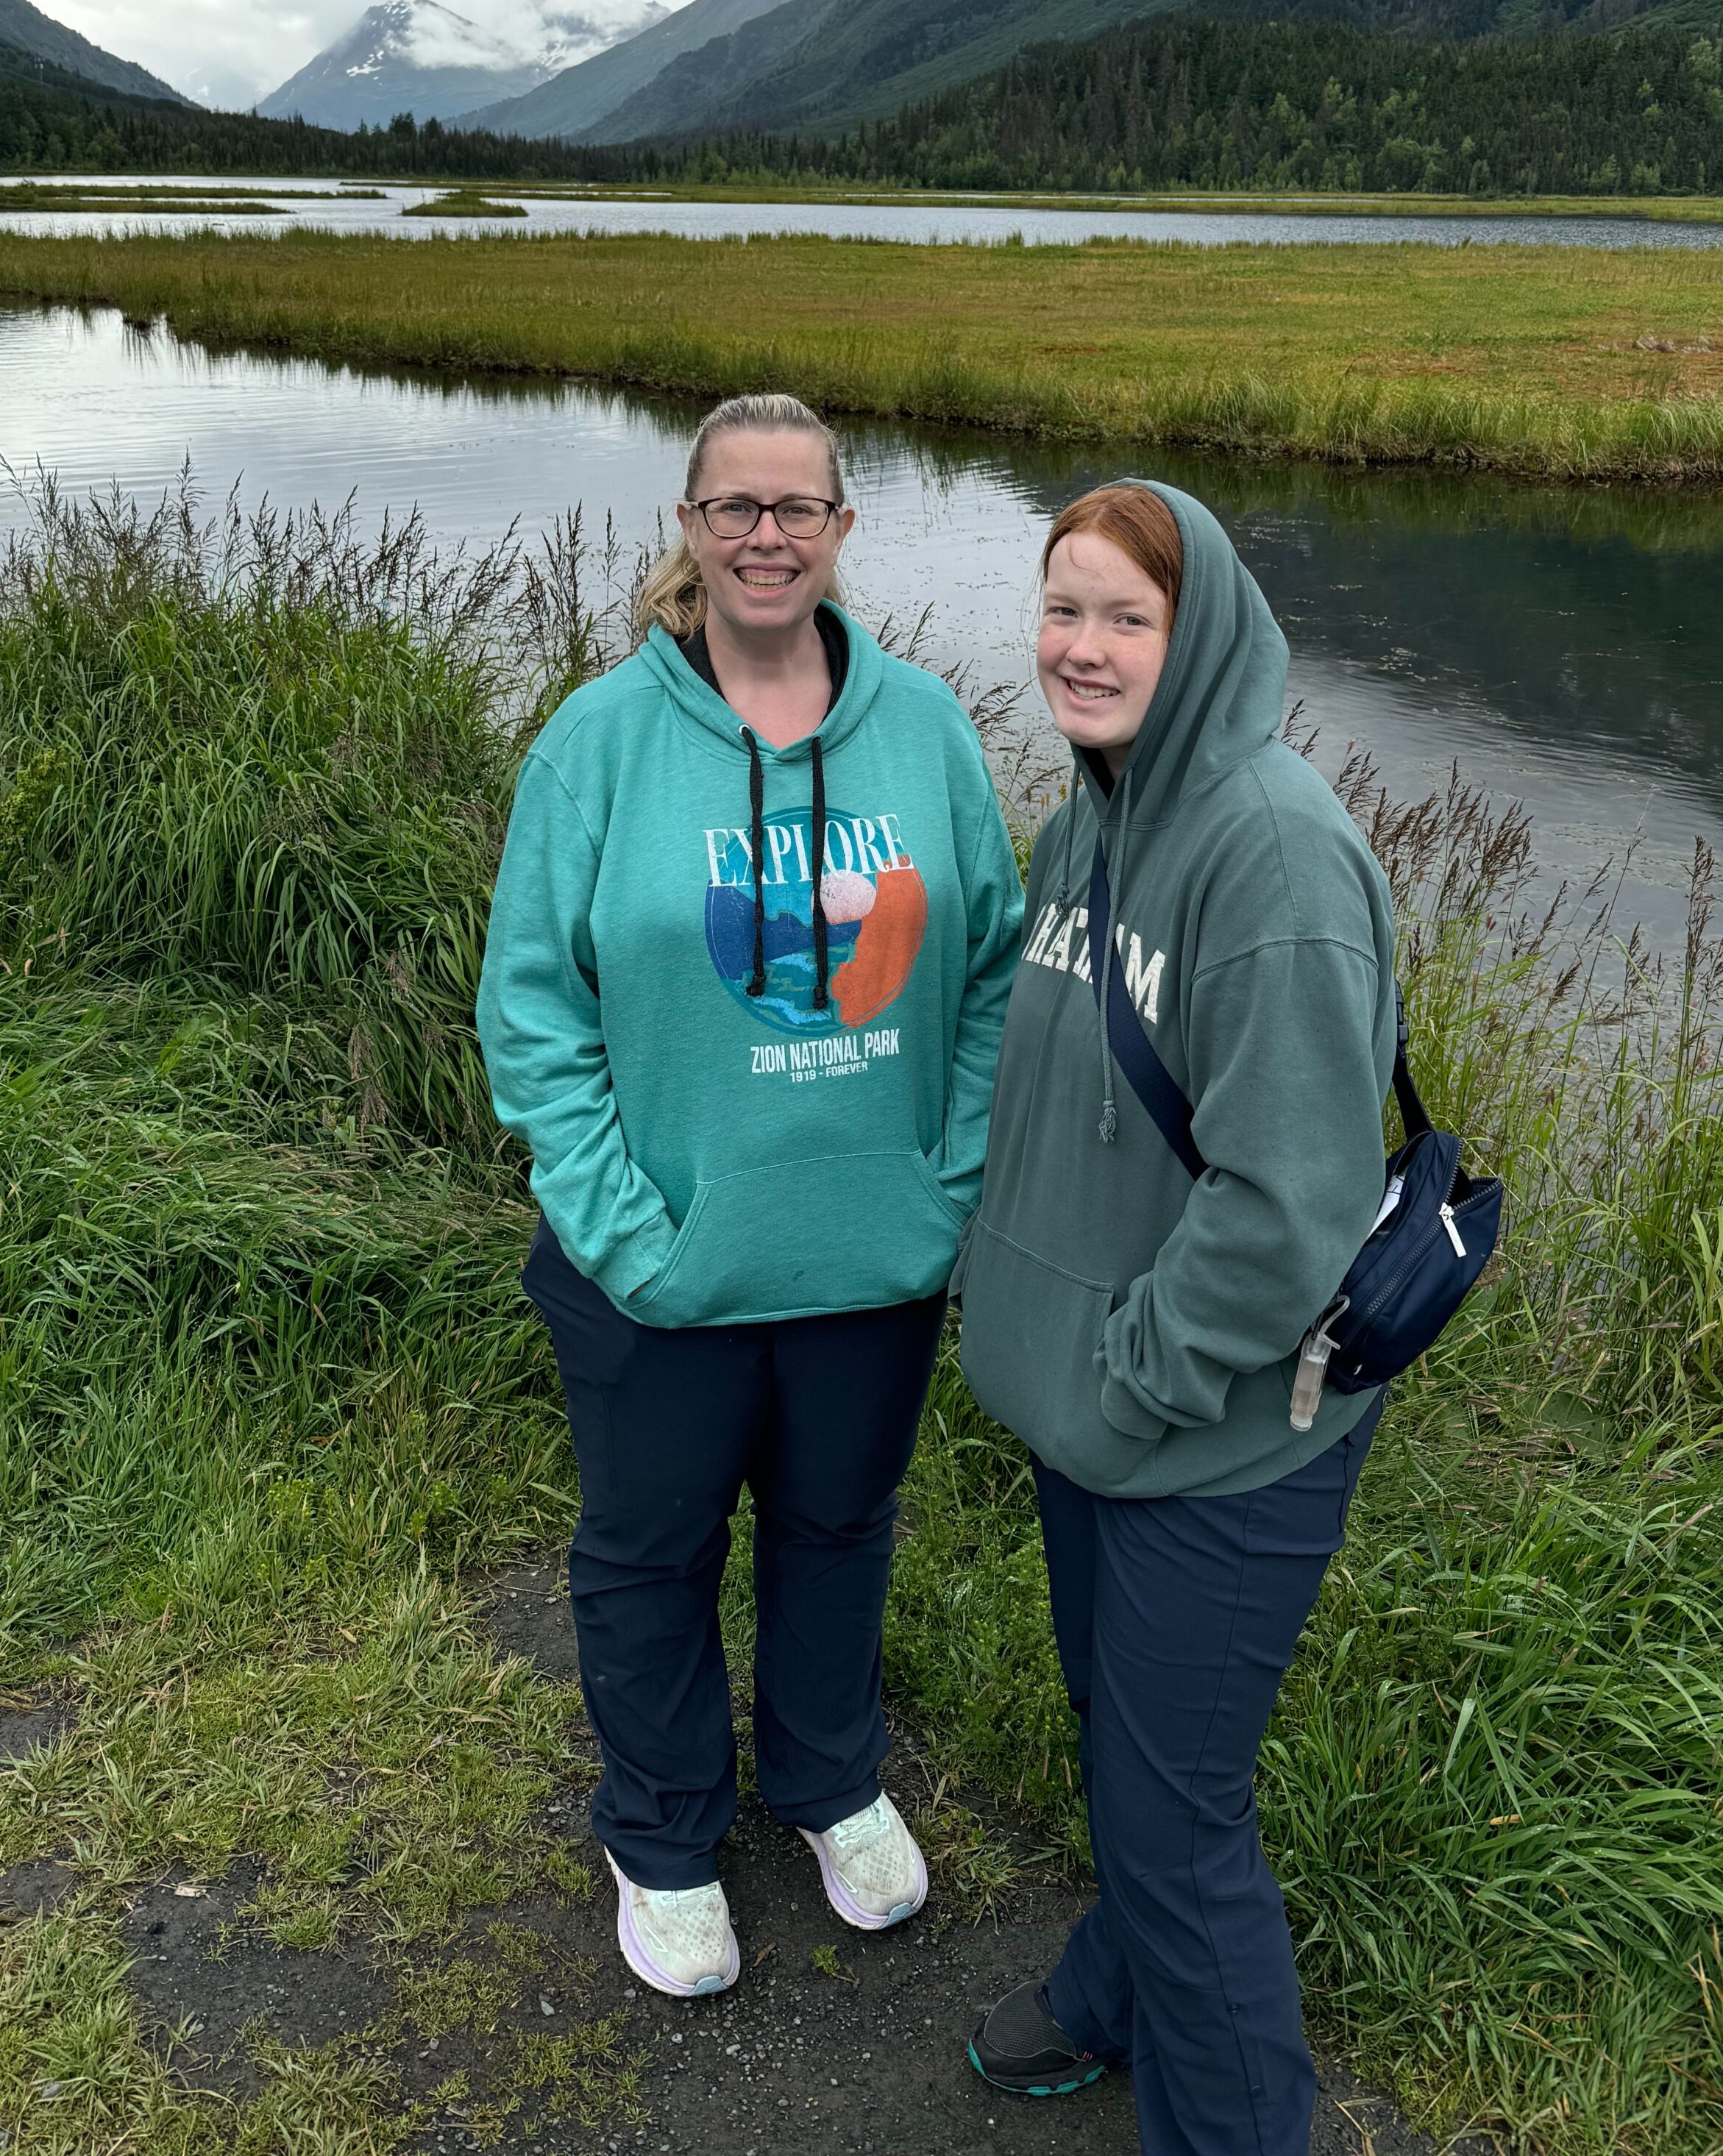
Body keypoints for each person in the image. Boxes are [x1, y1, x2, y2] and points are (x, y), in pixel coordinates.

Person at [477, 391, 1023, 2001]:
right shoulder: (597, 741)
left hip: (874, 1255)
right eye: (737, 507)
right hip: (660, 1268)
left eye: (799, 507)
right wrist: (616, 1221)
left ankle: (828, 1777)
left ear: (845, 529)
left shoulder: (925, 727)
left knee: (839, 1527)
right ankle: (660, 1830)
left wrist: (952, 1180)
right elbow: (532, 1005)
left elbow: (988, 970)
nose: (768, 534)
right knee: (649, 1554)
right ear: (691, 529)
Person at [957, 479, 1398, 2156]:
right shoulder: (1093, 816)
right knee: (1121, 1746)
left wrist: (1128, 1372)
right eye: (1062, 609)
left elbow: (1288, 1207)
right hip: (1102, 1414)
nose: (1081, 646)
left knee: (1178, 1820)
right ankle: (1113, 1989)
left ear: (1195, 629)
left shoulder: (1272, 852)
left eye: (1123, 617)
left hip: (1215, 1440)